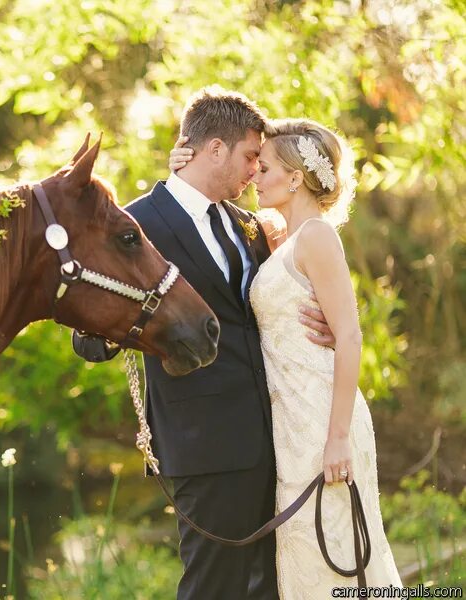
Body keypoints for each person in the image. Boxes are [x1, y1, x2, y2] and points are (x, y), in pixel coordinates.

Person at [72, 86, 335, 599]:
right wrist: (116, 331)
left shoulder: (248, 226)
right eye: (250, 157)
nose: (255, 171)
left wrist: (320, 322)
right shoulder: (136, 224)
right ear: (215, 149)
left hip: (276, 434)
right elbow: (86, 338)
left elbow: (265, 312)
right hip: (202, 442)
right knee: (213, 586)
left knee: (270, 585)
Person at [171, 118, 402, 596]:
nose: (254, 174)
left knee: (333, 556)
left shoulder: (317, 236)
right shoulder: (277, 238)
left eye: (266, 166)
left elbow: (351, 337)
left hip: (322, 422)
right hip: (287, 426)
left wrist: (337, 438)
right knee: (299, 563)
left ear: (296, 177)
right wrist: (182, 168)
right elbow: (202, 210)